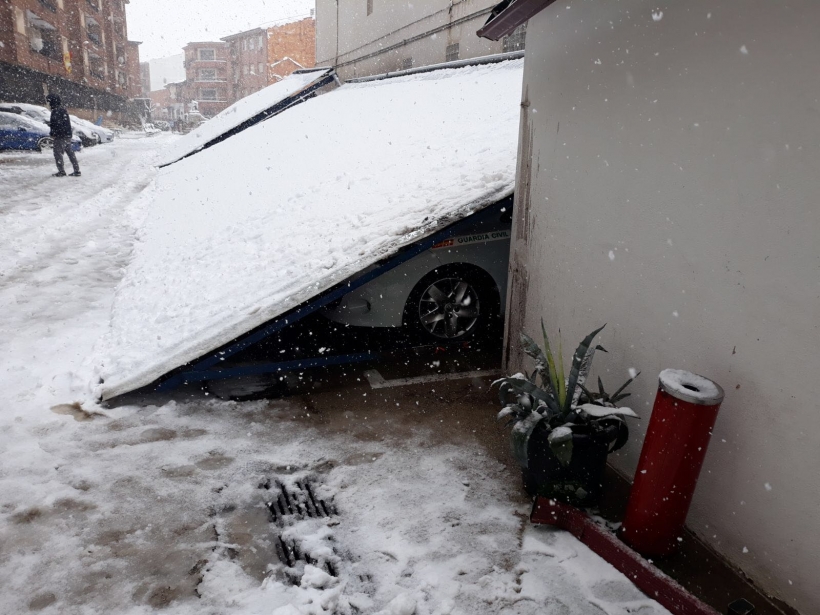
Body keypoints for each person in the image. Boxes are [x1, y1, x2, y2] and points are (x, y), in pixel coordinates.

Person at [46, 94, 81, 177]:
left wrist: (53, 133)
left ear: (52, 101)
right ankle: (77, 170)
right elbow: (64, 123)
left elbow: (57, 125)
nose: (48, 103)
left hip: (60, 136)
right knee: (70, 153)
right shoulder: (62, 109)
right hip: (67, 136)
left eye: (49, 101)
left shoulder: (56, 111)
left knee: (58, 154)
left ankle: (61, 171)